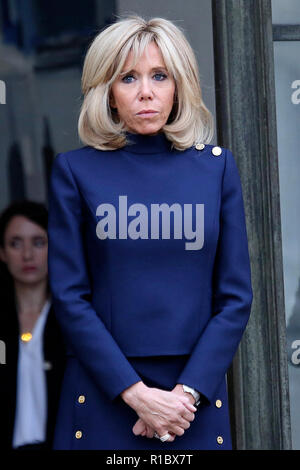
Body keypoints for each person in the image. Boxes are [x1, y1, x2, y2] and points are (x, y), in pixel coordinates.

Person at [47, 15, 253, 450]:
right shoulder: (75, 171)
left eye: (159, 76)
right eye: (128, 78)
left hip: (191, 399)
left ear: (178, 84)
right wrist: (137, 395)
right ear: (107, 91)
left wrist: (184, 396)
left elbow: (235, 298)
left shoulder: (216, 168)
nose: (146, 91)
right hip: (106, 389)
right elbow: (68, 296)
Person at [0, 201, 66, 450]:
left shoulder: (72, 317)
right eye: (15, 243)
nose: (27, 255)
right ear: (2, 252)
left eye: (39, 242)